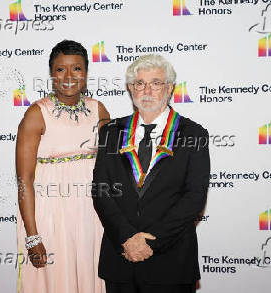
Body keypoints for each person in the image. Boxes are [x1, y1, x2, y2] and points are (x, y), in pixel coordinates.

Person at [92, 54, 210, 293]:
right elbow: (101, 191)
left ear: (169, 88)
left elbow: (194, 198)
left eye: (155, 83)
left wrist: (150, 241)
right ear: (130, 88)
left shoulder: (193, 133)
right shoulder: (111, 133)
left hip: (171, 261)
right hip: (120, 259)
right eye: (139, 83)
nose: (146, 90)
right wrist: (127, 238)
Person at [16, 40, 109, 293]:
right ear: (51, 74)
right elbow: (24, 180)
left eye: (76, 68)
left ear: (86, 73)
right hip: (51, 215)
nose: (69, 76)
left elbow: (111, 170)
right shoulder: (37, 114)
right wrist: (33, 236)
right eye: (60, 70)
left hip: (92, 215)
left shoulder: (98, 110)